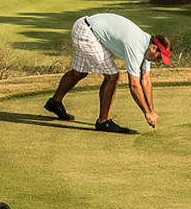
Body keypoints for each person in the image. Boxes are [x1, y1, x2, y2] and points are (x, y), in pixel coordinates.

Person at [43, 13, 171, 133]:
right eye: (159, 57)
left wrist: (152, 110)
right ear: (153, 47)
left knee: (79, 73)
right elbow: (134, 85)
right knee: (113, 76)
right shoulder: (136, 46)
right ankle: (103, 121)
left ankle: (54, 103)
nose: (158, 61)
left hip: (85, 27)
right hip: (86, 32)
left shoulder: (147, 47)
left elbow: (146, 80)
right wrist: (147, 113)